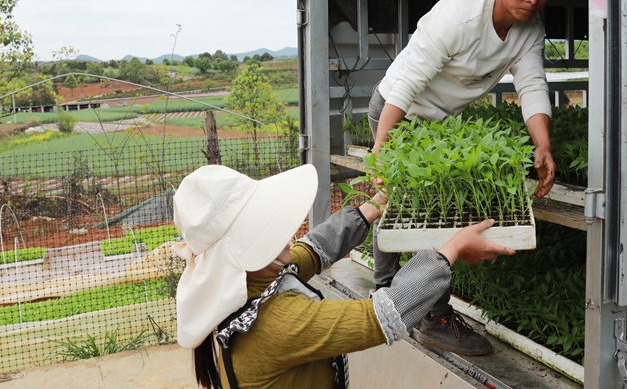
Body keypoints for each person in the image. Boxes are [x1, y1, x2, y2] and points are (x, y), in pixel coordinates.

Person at [367, 0, 563, 355]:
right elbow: (405, 85)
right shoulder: (456, 17)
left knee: (426, 211)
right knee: (400, 204)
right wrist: (382, 150)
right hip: (396, 110)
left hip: (437, 124)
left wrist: (542, 145)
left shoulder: (529, 29)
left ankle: (413, 305)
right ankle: (411, 306)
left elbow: (532, 85)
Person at [172, 164, 513, 389]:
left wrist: (376, 204)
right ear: (244, 251)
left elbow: (314, 249)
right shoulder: (278, 324)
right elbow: (380, 316)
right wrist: (452, 248)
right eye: (266, 230)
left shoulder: (244, 284)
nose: (286, 232)